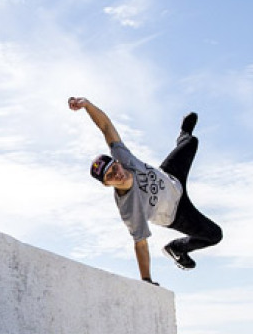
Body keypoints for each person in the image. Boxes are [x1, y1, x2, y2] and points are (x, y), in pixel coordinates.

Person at [69, 96, 222, 285]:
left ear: (117, 162)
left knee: (191, 142)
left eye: (114, 168)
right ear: (107, 184)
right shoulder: (128, 207)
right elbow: (140, 244)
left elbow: (106, 127)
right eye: (110, 177)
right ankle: (177, 249)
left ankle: (183, 135)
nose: (117, 174)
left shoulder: (122, 157)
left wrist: (87, 105)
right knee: (214, 235)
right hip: (177, 212)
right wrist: (146, 280)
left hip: (171, 177)